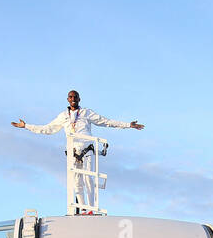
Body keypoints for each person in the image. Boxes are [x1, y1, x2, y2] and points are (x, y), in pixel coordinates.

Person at [12, 90, 144, 211]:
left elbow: (105, 121)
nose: (73, 98)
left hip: (87, 150)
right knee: (76, 182)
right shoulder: (63, 116)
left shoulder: (86, 112)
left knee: (88, 179)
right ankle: (83, 209)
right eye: (71, 97)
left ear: (79, 99)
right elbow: (47, 129)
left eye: (75, 97)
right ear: (67, 100)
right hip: (73, 152)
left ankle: (91, 208)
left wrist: (128, 125)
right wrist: (26, 126)